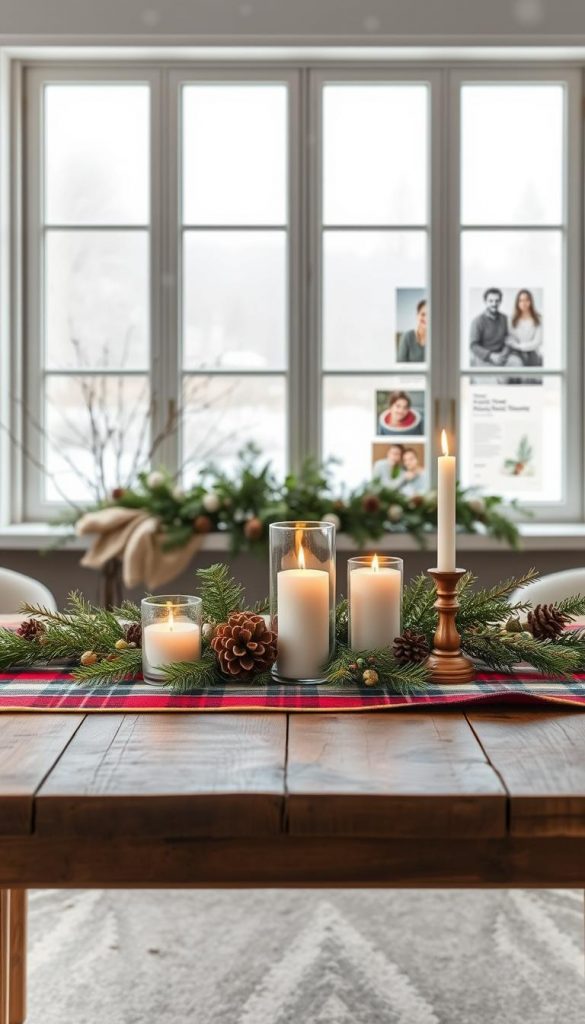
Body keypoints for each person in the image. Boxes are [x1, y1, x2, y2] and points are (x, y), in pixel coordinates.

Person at [469, 288, 512, 366]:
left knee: (518, 365)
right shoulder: (477, 321)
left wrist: (504, 354)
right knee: (497, 377)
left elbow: (508, 339)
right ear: (485, 302)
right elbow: (473, 345)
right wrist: (490, 355)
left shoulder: (504, 318)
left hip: (502, 355)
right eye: (491, 301)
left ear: (500, 302)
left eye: (497, 301)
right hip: (485, 358)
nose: (494, 304)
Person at [506, 289, 543, 367]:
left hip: (532, 352)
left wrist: (520, 346)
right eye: (521, 300)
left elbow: (538, 341)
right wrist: (517, 347)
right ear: (517, 303)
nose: (524, 303)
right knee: (514, 364)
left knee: (531, 376)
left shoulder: (539, 318)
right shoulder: (511, 319)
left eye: (527, 300)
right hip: (515, 352)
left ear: (531, 302)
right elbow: (510, 338)